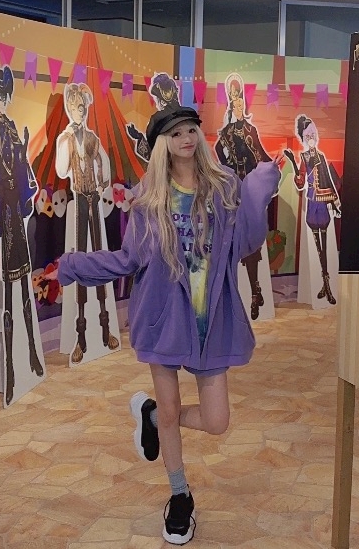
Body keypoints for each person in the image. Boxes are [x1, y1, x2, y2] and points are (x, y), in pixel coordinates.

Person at [58, 102, 280, 544]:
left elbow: (245, 242)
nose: (186, 138)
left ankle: (150, 414)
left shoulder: (224, 186)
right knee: (174, 410)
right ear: (162, 143)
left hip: (211, 322)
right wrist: (70, 265)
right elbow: (127, 260)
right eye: (175, 133)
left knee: (217, 421)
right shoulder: (148, 200)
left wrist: (262, 184)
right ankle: (179, 496)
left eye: (191, 129)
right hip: (164, 319)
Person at [0, 65, 44, 405]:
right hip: (5, 212)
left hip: (17, 210)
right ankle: (10, 369)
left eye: (6, 96)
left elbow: (23, 167)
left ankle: (31, 352)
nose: (2, 101)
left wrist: (23, 154)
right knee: (7, 285)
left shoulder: (14, 129)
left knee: (22, 283)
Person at [55, 82, 119, 364]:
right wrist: (65, 142)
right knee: (80, 260)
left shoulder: (92, 138)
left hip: (93, 199)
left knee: (100, 258)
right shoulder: (67, 139)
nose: (78, 111)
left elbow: (105, 165)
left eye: (81, 107)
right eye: (74, 107)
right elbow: (61, 170)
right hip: (79, 200)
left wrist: (102, 181)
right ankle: (80, 337)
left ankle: (105, 329)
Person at [215, 73, 272, 320]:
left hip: (250, 190)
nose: (238, 105)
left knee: (252, 239)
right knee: (233, 238)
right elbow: (218, 151)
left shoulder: (250, 129)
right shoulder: (227, 132)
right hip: (233, 192)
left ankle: (255, 289)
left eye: (241, 102)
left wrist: (269, 171)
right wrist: (226, 165)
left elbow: (260, 154)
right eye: (234, 102)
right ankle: (239, 294)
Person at [283, 114, 340, 305]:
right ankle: (325, 284)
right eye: (308, 136)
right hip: (312, 202)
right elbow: (300, 182)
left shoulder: (321, 156)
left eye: (313, 135)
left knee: (325, 247)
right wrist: (293, 162)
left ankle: (327, 285)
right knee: (318, 248)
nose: (311, 138)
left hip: (322, 203)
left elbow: (329, 179)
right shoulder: (304, 157)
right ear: (304, 138)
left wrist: (334, 202)